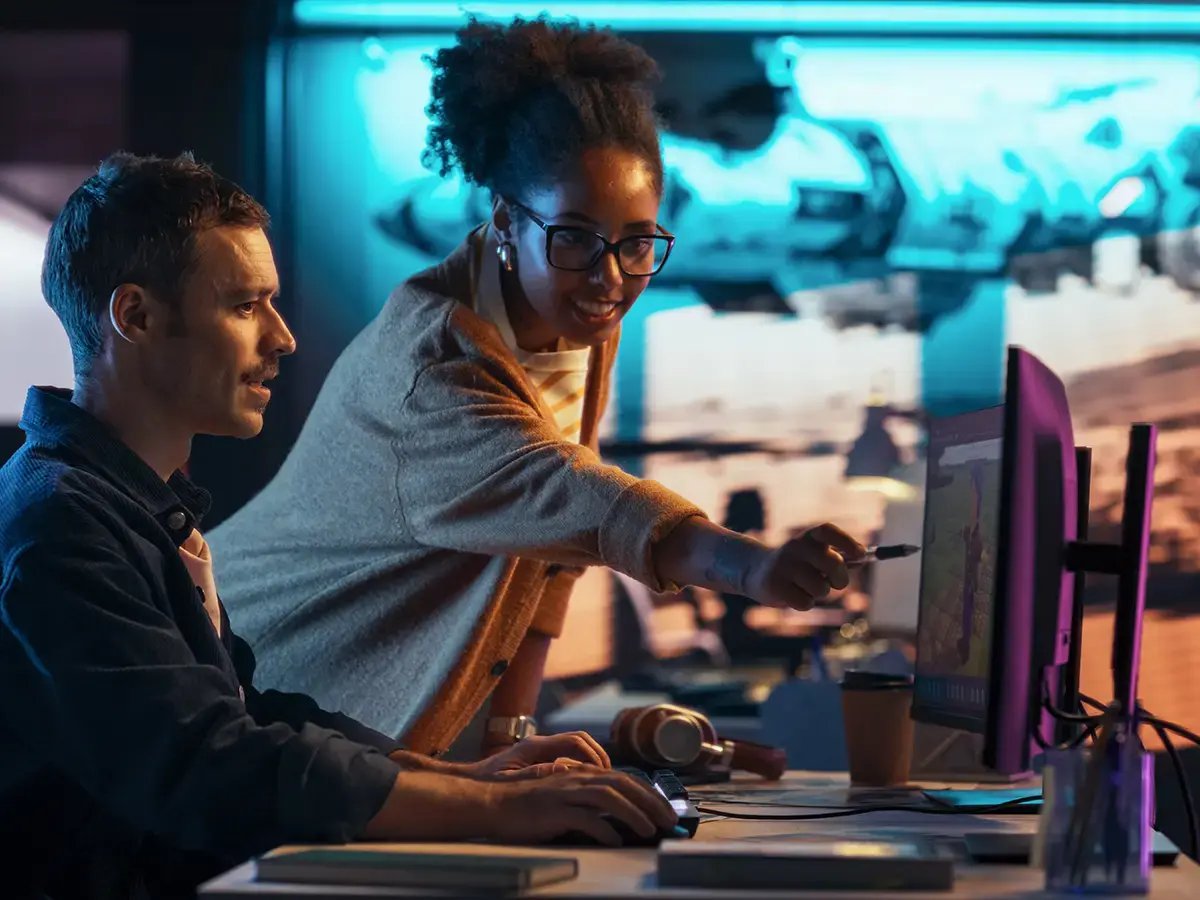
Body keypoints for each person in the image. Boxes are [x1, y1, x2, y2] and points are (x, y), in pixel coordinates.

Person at [0, 152, 676, 898]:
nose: (283, 338)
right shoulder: (59, 524)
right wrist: (492, 807)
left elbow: (249, 713)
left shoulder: (129, 505)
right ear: (136, 316)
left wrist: (462, 779)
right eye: (245, 306)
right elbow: (207, 761)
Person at [211, 16, 865, 758]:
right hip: (252, 676)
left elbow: (544, 561)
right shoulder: (431, 365)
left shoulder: (579, 325)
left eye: (637, 242)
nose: (610, 277)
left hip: (341, 729)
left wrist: (513, 749)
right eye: (575, 237)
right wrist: (754, 568)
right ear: (505, 223)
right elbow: (570, 497)